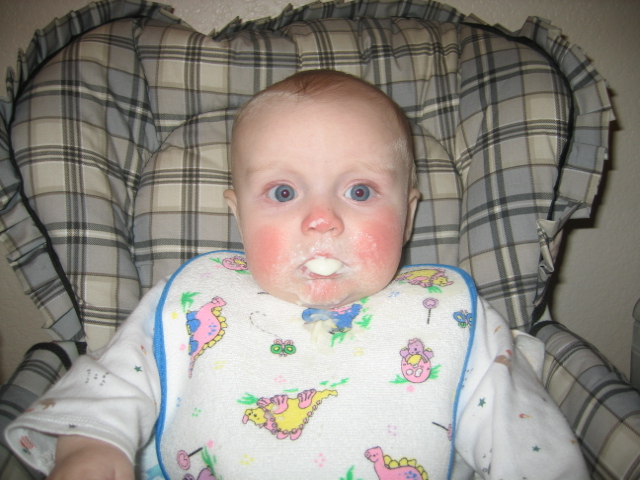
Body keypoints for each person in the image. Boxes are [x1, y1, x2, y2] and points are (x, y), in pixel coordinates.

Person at [5, 70, 588, 480]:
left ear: (408, 215)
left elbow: (527, 440)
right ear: (239, 215)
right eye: (283, 192)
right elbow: (109, 385)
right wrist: (90, 447)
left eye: (360, 191)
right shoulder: (193, 302)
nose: (321, 219)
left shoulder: (452, 318)